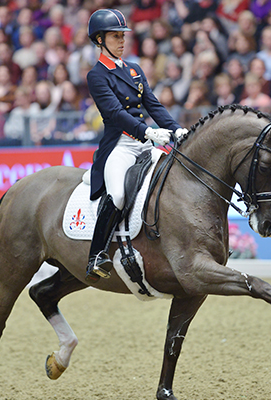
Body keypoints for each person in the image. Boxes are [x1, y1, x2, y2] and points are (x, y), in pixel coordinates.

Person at [85, 9, 187, 282]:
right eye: (115, 36)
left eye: (123, 36)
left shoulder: (134, 69)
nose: (122, 41)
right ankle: (96, 255)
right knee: (117, 194)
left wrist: (176, 129)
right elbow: (116, 113)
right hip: (120, 145)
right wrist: (149, 132)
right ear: (99, 40)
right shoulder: (97, 75)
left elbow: (152, 104)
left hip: (146, 142)